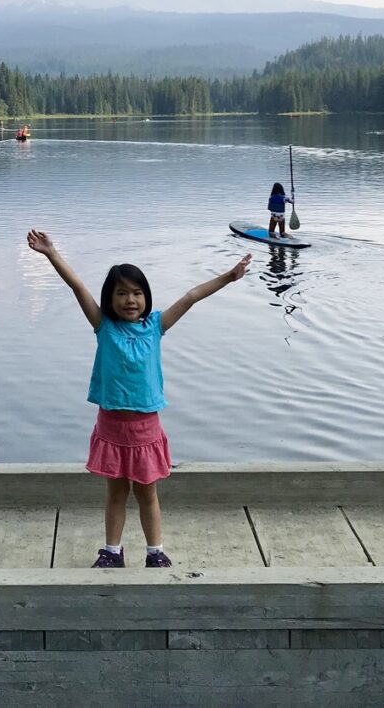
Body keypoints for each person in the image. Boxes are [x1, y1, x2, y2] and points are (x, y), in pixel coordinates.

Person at [26, 229, 251, 569]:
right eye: (121, 293)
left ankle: (155, 552)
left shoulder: (156, 326)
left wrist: (229, 277)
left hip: (146, 428)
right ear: (110, 299)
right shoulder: (104, 326)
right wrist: (52, 253)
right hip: (112, 427)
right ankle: (112, 552)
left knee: (147, 494)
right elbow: (78, 288)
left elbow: (191, 296)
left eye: (136, 293)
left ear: (146, 297)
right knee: (115, 493)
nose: (130, 300)